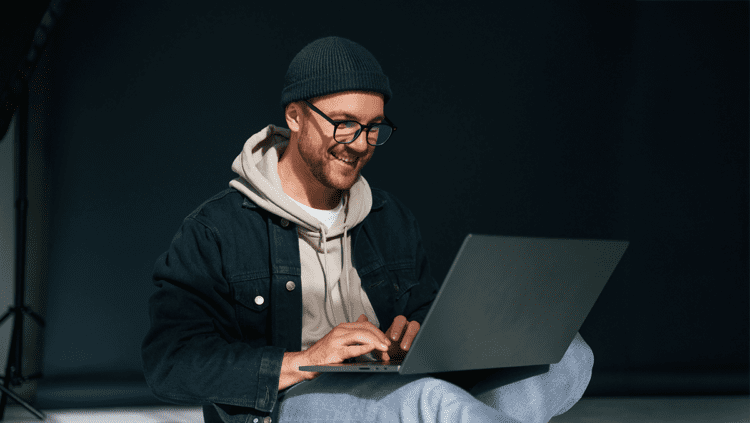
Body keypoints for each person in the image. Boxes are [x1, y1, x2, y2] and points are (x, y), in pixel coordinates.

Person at [142, 36, 594, 423]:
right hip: (289, 401)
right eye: (343, 124)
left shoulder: (387, 216)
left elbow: (422, 308)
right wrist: (303, 360)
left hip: (388, 385)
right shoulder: (216, 229)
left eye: (374, 128)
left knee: (568, 356)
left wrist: (417, 334)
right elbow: (169, 361)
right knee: (432, 402)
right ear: (295, 116)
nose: (359, 144)